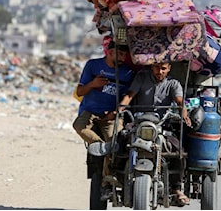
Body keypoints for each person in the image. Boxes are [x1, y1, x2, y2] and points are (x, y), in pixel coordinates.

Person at [117, 62, 192, 206]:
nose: (160, 71)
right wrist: (119, 110)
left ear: (169, 68)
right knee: (120, 143)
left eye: (163, 68)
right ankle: (116, 177)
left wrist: (184, 114)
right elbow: (130, 95)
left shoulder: (173, 83)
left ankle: (176, 188)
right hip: (139, 122)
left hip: (161, 124)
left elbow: (179, 101)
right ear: (152, 67)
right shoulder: (141, 78)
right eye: (157, 68)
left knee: (178, 151)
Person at [72, 40, 134, 200]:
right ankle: (101, 146)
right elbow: (79, 91)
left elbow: (128, 97)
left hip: (112, 116)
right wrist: (93, 84)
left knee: (116, 141)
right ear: (110, 52)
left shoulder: (127, 73)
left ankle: (107, 182)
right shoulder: (93, 66)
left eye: (124, 55)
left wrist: (116, 112)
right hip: (90, 111)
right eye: (119, 54)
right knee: (79, 126)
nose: (122, 58)